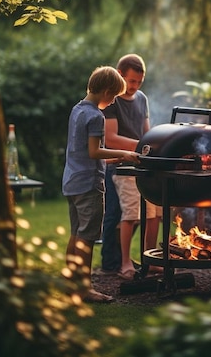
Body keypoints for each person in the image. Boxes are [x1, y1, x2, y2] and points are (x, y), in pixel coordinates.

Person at [62, 66, 140, 303]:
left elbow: (85, 150)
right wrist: (125, 154)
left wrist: (114, 158)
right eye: (114, 96)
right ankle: (84, 289)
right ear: (106, 91)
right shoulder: (96, 115)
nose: (114, 100)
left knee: (75, 234)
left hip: (71, 181)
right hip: (88, 185)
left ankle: (70, 283)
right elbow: (95, 151)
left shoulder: (77, 110)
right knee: (86, 239)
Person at [103, 54, 161, 281]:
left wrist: (155, 142)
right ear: (120, 75)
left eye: (139, 82)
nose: (135, 86)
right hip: (121, 165)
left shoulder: (142, 98)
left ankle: (150, 258)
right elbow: (111, 139)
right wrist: (142, 146)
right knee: (127, 215)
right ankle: (122, 262)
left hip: (143, 165)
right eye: (132, 81)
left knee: (153, 214)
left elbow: (146, 131)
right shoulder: (112, 100)